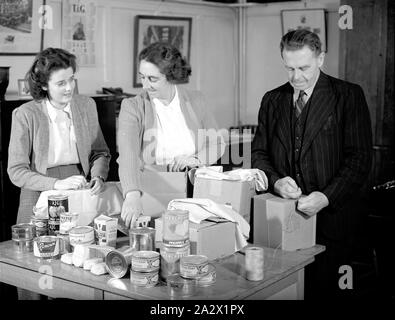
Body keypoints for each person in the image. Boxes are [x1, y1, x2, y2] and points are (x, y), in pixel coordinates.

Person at [251, 30, 373, 298]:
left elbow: (360, 159)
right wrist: (275, 181)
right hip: (284, 222)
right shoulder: (272, 99)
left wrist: (326, 197)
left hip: (334, 224)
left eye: (303, 67)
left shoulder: (348, 96)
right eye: (289, 68)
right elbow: (259, 154)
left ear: (321, 58)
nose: (296, 77)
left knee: (326, 293)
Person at [118, 42, 225, 228]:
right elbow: (128, 155)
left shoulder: (196, 100)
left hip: (194, 193)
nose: (145, 85)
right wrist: (132, 194)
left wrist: (196, 158)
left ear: (170, 76)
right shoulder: (132, 107)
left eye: (152, 79)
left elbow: (217, 144)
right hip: (151, 191)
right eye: (142, 77)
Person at [8, 47, 111, 225]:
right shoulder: (25, 114)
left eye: (71, 79)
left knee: (81, 246)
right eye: (61, 83)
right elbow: (16, 171)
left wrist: (98, 177)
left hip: (80, 185)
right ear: (43, 85)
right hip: (37, 188)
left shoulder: (87, 105)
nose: (69, 87)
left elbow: (100, 152)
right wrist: (56, 183)